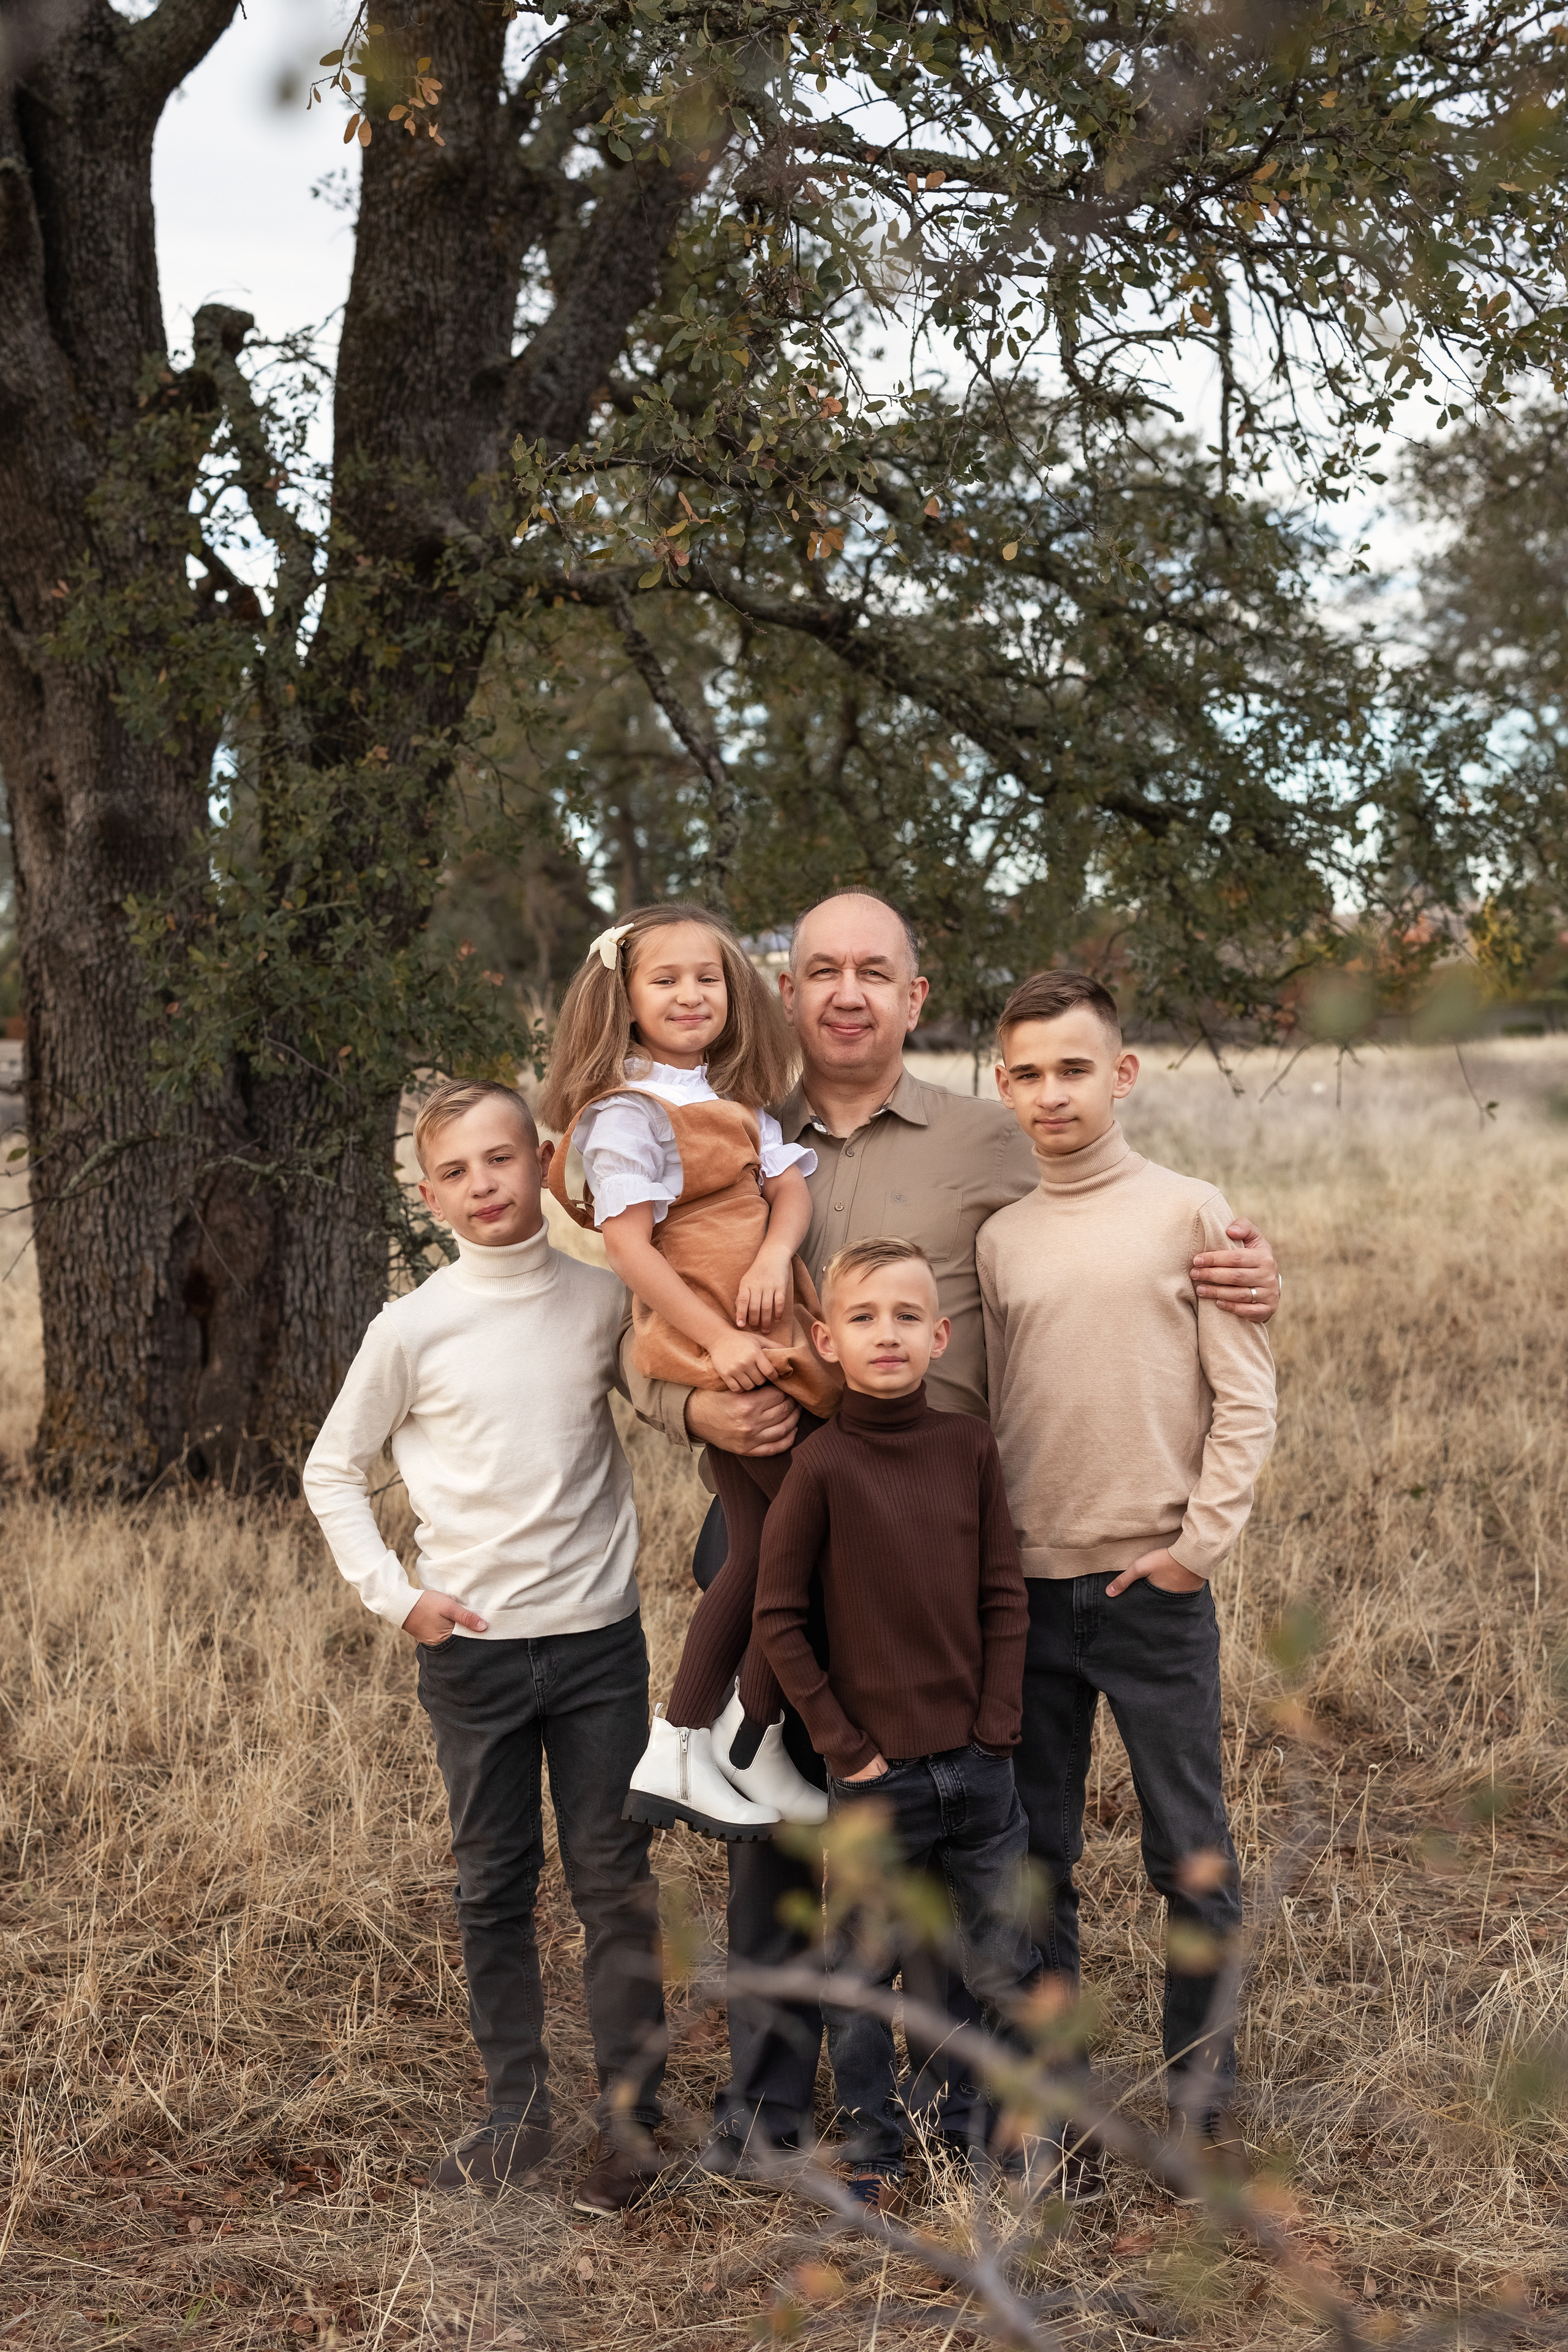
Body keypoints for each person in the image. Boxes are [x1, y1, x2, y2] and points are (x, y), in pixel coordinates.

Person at [622, 888, 1283, 2174]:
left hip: (949, 1545)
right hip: (775, 1526)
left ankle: (947, 2100)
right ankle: (768, 2108)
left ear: (915, 998)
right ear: (786, 994)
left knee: (949, 1821)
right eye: (820, 970)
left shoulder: (993, 1140)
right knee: (777, 1820)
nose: (846, 993)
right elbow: (633, 1321)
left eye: (874, 971)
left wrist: (1252, 1270)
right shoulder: (718, 1132)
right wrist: (694, 1402)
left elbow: (1117, 1242)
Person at [302, 1078, 666, 2215]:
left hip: (599, 1644)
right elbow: (332, 1470)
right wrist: (396, 1595)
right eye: (455, 1172)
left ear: (546, 1161)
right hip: (474, 1656)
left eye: (502, 1160)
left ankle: (631, 2122)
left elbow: (671, 1401)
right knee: (494, 1883)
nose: (484, 1185)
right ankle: (516, 2112)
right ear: (430, 1196)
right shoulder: (411, 1327)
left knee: (614, 1881)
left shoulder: (605, 1300)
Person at [978, 968, 1278, 2157]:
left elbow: (1244, 1398)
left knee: (1188, 1851)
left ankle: (1200, 2105)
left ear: (1122, 1073)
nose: (1052, 1094)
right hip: (1028, 1594)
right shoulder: (999, 1239)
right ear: (1003, 1087)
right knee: (1036, 1853)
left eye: (1074, 1069)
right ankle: (1052, 2102)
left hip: (1151, 1591)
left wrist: (1194, 1550)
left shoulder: (1189, 1212)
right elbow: (995, 1410)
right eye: (1028, 1075)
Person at [540, 902, 839, 1840]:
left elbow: (788, 1191)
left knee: (759, 1547)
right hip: (719, 1341)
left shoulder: (734, 1099)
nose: (690, 994)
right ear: (624, 999)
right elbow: (631, 1250)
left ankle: (736, 1742)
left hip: (768, 1317)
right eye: (665, 979)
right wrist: (719, 1344)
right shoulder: (627, 1115)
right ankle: (710, 1734)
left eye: (708, 977)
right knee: (811, 1534)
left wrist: (772, 1255)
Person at [755, 1237, 1041, 2209]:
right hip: (877, 1778)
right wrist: (848, 1748)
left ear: (940, 1336)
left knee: (1000, 1962)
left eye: (908, 1317)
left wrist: (998, 1724)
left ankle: (988, 2131)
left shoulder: (968, 1447)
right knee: (864, 1973)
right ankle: (877, 2144)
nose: (888, 1335)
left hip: (981, 1766)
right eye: (865, 1318)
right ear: (826, 1341)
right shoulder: (821, 1466)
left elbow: (1003, 1594)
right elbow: (779, 1620)